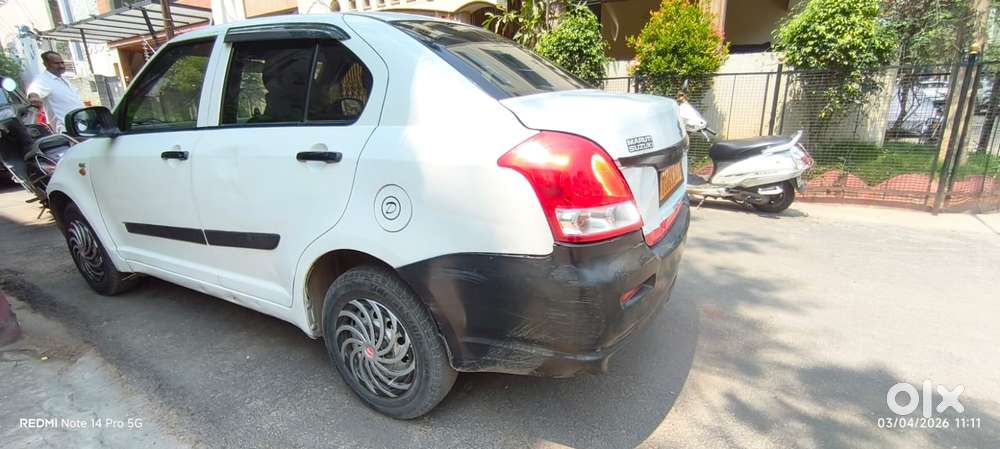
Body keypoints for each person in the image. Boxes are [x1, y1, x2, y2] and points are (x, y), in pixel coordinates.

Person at [27, 51, 84, 133]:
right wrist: (34, 97)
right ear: (46, 64)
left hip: (82, 126)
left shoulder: (64, 79)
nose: (61, 66)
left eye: (62, 62)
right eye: (56, 63)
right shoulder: (42, 80)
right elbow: (34, 90)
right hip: (67, 130)